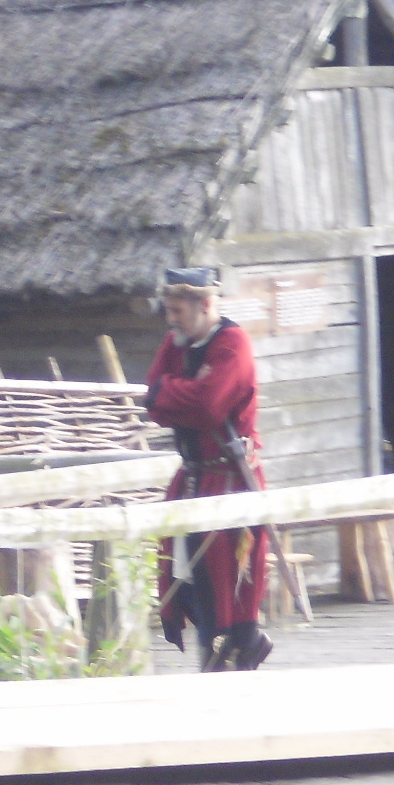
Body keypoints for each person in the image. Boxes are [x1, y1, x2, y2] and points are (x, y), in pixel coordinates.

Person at [144, 266, 272, 672]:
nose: (171, 319)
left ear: (204, 305)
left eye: (178, 310)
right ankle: (218, 659)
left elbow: (210, 407)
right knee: (187, 579)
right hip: (192, 478)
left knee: (228, 586)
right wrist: (185, 390)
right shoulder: (175, 342)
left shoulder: (232, 343)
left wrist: (175, 390)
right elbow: (152, 400)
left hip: (229, 479)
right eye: (169, 310)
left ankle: (234, 656)